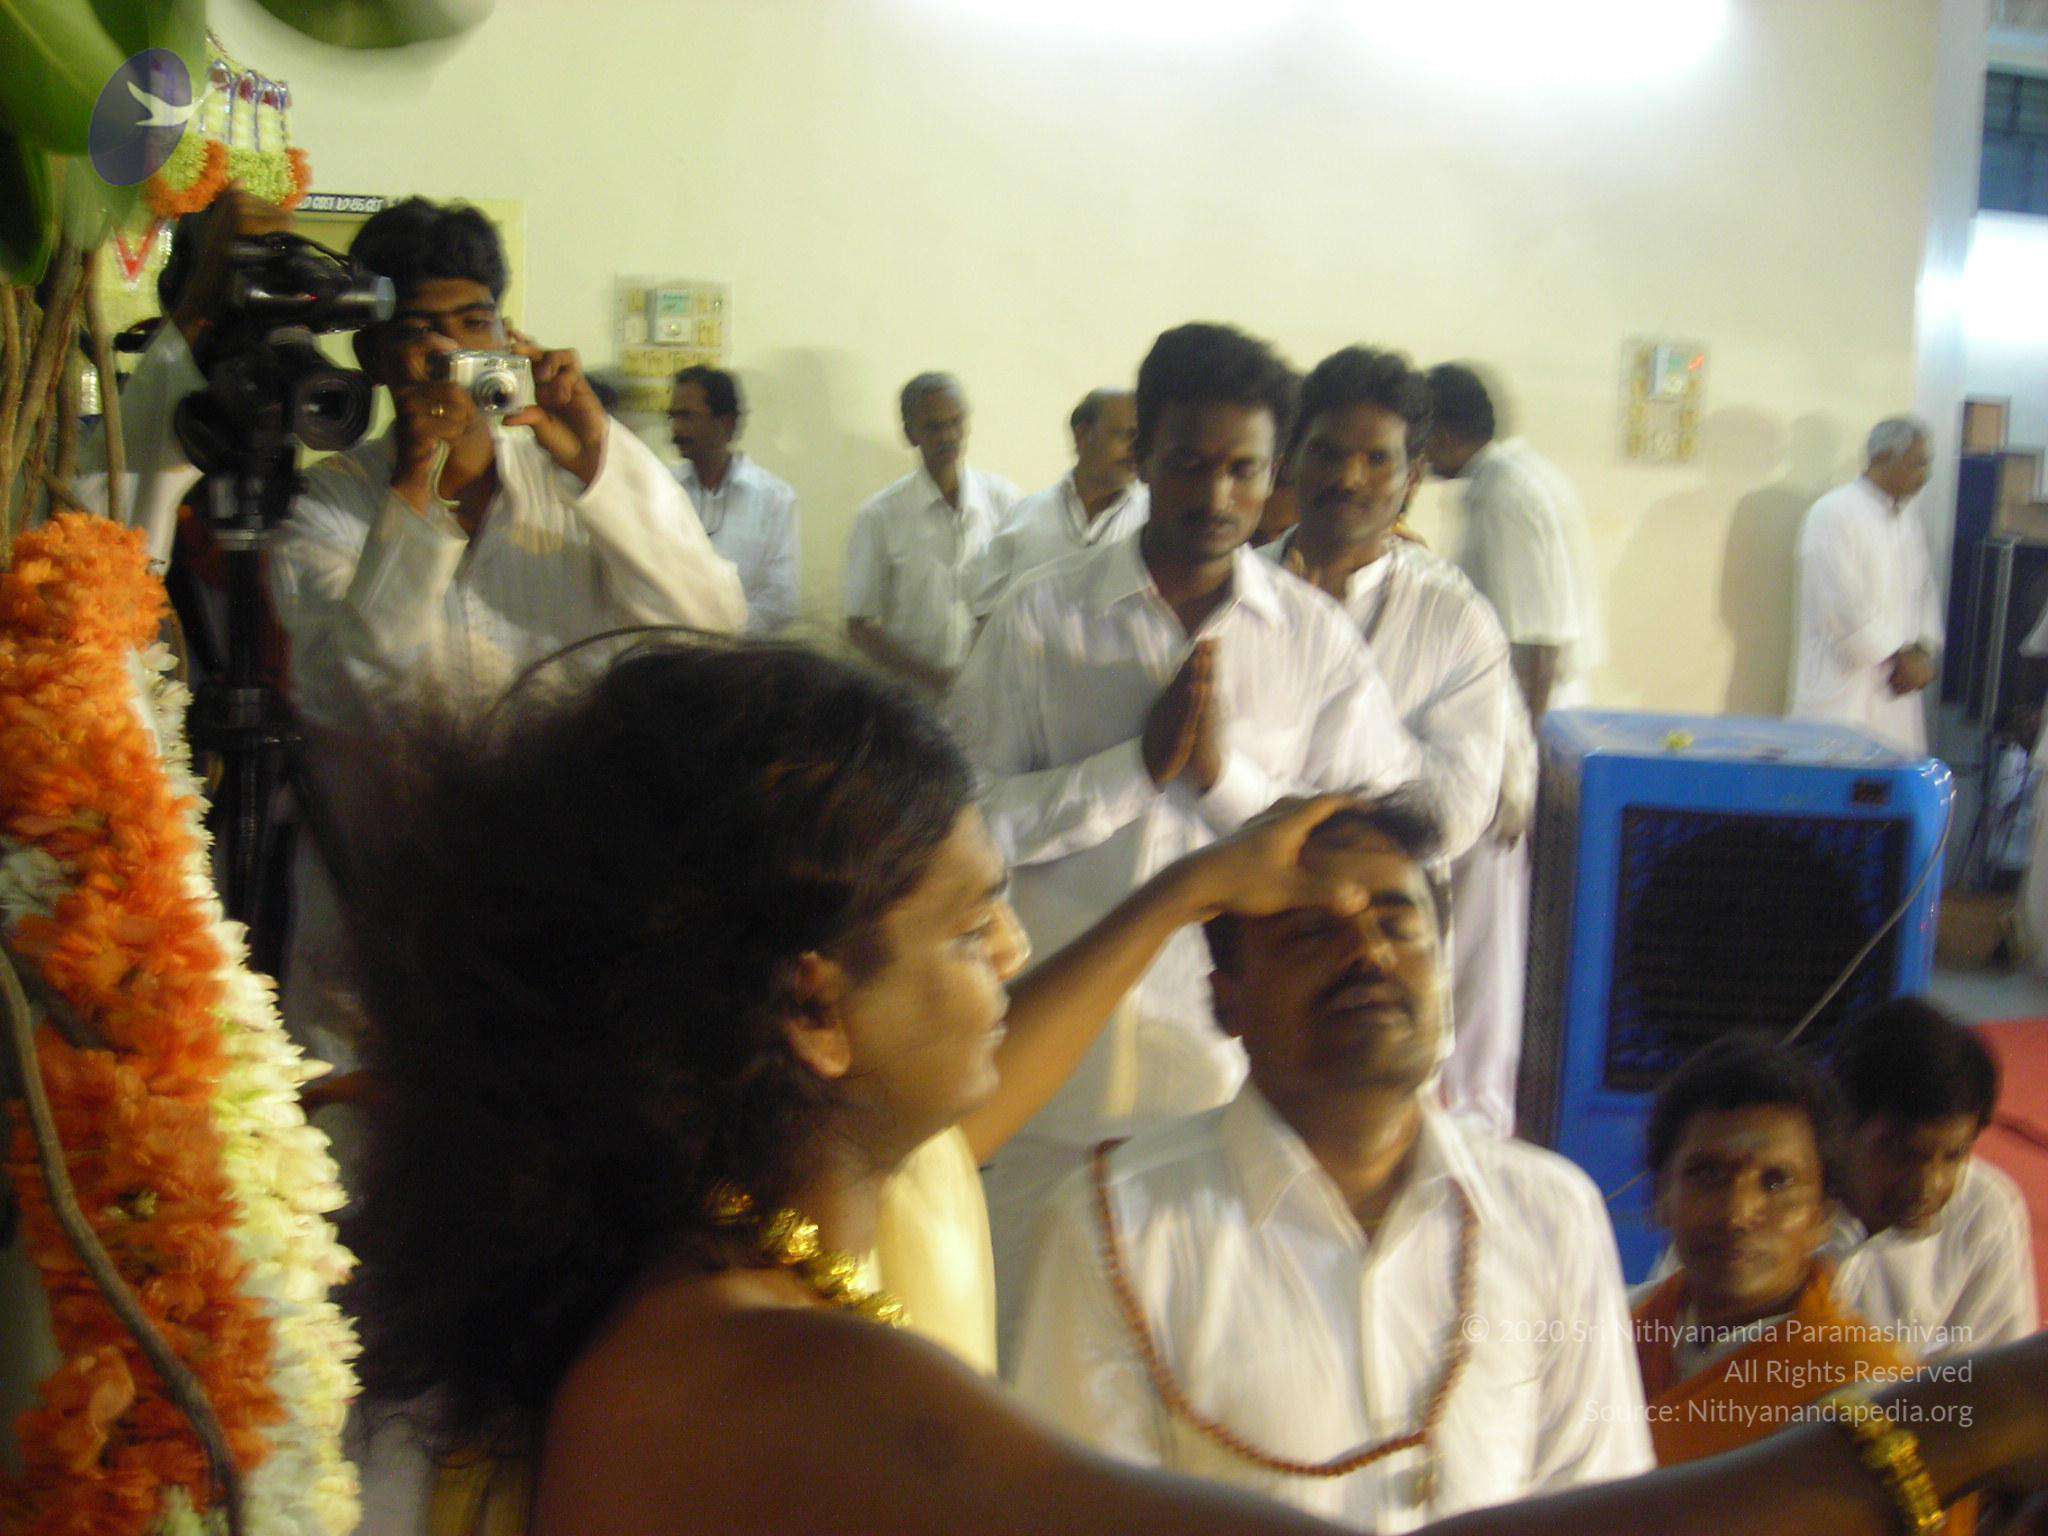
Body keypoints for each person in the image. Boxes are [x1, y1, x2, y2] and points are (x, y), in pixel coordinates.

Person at [337, 643, 2048, 1536]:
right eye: (973, 922)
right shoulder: (774, 1382)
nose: (1017, 949)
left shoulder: (758, 1232)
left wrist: (1188, 887)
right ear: (813, 1011)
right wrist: (1966, 1413)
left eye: (1399, 918)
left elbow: (971, 1098)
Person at [949, 322, 1425, 1357]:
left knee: (1203, 1372)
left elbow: (1371, 847)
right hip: (1050, 1085)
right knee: (1034, 1364)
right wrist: (1129, 771)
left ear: (1274, 473)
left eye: (1243, 470)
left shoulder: (1311, 641)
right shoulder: (1040, 621)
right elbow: (965, 832)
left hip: (1230, 1091)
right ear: (1142, 457)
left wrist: (1224, 783)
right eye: (1188, 464)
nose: (1215, 496)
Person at [1013, 795, 1651, 1529]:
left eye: (1398, 925)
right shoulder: (1116, 1227)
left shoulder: (1551, 1213)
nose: (1369, 954)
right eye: (1313, 932)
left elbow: (1602, 1509)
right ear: (1228, 1001)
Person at [1268, 346, 1531, 1135]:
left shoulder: (1454, 619)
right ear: (1291, 458)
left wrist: (1329, 696)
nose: (1348, 478)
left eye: (1376, 459)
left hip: (1380, 955)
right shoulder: (1237, 593)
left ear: (1412, 478)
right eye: (1327, 453)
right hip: (1252, 936)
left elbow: (1450, 816)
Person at [1631, 1036, 1973, 1511]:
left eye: (1777, 1183)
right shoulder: (1614, 1332)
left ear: (1823, 1217)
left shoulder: (1864, 1393)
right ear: (1661, 1198)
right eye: (1708, 1175)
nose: (1737, 1213)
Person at [1828, 998, 2038, 1354]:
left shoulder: (1983, 1211)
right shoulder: (1776, 1202)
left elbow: (1998, 1369)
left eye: (1954, 1156)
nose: (1929, 1185)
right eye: (1904, 1155)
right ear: (1841, 1125)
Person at [1423, 362, 1603, 720]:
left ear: (1442, 435)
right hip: (1532, 701)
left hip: (1534, 706)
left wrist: (1524, 740)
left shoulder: (1504, 492)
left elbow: (1536, 640)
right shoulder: (1517, 475)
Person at [844, 372, 1019, 692]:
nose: (949, 436)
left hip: (993, 691)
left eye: (956, 422)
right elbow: (860, 627)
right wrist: (932, 679)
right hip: (913, 697)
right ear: (910, 434)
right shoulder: (879, 516)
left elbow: (1023, 599)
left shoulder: (1005, 501)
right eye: (934, 427)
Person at [1787, 417, 1942, 753]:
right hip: (1845, 685)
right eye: (1918, 463)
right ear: (1884, 457)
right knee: (1835, 776)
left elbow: (1924, 592)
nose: (1926, 475)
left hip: (1897, 689)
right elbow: (1838, 603)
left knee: (1892, 776)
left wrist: (1922, 650)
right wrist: (1896, 656)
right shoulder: (1833, 512)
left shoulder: (1909, 520)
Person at [970, 387, 1148, 618]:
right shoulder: (1024, 517)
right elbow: (984, 613)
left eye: (1143, 439)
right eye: (1126, 435)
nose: (1137, 450)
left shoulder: (1153, 521)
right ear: (1082, 435)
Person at [669, 365, 802, 635]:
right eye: (672, 417)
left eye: (687, 416)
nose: (676, 429)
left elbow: (781, 601)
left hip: (743, 655)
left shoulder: (774, 498)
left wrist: (717, 633)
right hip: (670, 651)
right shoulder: (663, 489)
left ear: (726, 423)